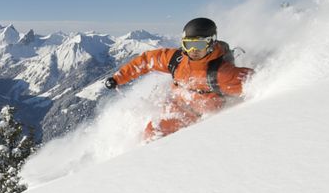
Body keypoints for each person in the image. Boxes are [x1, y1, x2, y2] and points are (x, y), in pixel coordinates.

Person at [104, 18, 253, 141]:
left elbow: (257, 83)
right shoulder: (177, 59)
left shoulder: (221, 74)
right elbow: (147, 60)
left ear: (211, 43)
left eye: (199, 45)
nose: (193, 51)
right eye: (189, 45)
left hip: (195, 118)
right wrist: (119, 78)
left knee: (153, 133)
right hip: (173, 102)